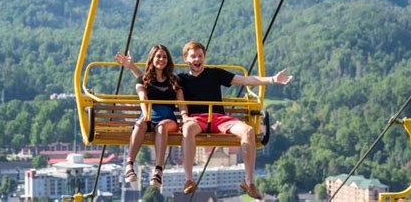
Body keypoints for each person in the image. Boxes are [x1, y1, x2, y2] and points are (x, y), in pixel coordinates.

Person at [116, 41, 293, 199]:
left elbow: (245, 79)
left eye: (200, 56)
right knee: (187, 128)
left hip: (219, 118)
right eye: (193, 56)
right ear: (186, 59)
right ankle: (189, 179)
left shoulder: (215, 74)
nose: (197, 59)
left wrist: (272, 79)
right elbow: (151, 80)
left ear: (204, 58)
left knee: (247, 131)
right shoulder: (180, 79)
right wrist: (132, 67)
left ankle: (249, 181)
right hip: (197, 119)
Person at [115, 45, 188, 188]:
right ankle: (129, 165)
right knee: (139, 125)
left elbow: (181, 102)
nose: (161, 59)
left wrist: (184, 116)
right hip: (149, 115)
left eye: (164, 57)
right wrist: (146, 115)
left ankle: (158, 170)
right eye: (158, 56)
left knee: (161, 127)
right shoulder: (143, 80)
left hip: (168, 119)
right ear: (152, 59)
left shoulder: (174, 81)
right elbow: (143, 97)